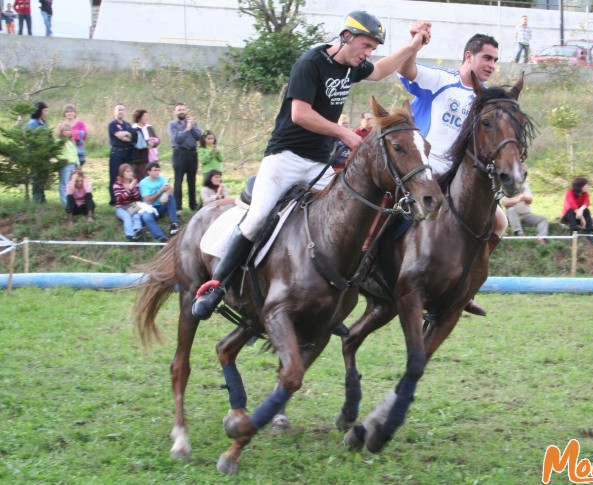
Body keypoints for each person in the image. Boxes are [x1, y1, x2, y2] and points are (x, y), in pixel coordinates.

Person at [192, 11, 433, 320]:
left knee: (345, 219)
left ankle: (345, 292)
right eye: (365, 44)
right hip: (285, 159)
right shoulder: (311, 63)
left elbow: (383, 70)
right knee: (257, 219)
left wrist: (415, 44)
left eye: (373, 48)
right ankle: (216, 287)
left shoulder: (353, 67)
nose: (368, 53)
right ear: (346, 37)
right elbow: (300, 114)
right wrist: (344, 132)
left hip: (319, 163)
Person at [398, 32, 507, 316]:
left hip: (459, 179)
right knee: (392, 214)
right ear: (469, 56)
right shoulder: (440, 80)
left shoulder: (486, 99)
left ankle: (465, 287)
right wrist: (415, 45)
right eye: (486, 57)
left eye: (495, 60)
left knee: (499, 222)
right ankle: (365, 264)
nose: (491, 65)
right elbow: (405, 69)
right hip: (423, 173)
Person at [168, 102, 201, 211]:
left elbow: (198, 137)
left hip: (192, 153)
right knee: (178, 180)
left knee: (192, 180)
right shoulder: (172, 125)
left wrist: (192, 127)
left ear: (186, 111)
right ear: (175, 112)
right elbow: (177, 139)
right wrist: (187, 129)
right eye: (179, 110)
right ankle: (178, 206)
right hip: (179, 153)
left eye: (183, 109)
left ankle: (193, 204)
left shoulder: (193, 123)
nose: (181, 111)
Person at [138, 162, 180, 243]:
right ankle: (162, 237)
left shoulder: (163, 178)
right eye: (155, 170)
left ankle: (174, 224)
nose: (157, 172)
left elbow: (170, 188)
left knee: (170, 197)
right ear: (149, 172)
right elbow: (148, 201)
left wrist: (166, 195)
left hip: (161, 207)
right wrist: (160, 191)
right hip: (150, 208)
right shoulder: (143, 183)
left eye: (158, 170)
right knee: (146, 217)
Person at [107, 104, 137, 205]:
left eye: (122, 110)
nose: (121, 112)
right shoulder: (112, 124)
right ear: (115, 111)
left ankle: (127, 197)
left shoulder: (127, 124)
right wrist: (127, 134)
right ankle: (114, 199)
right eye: (119, 110)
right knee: (115, 175)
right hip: (117, 152)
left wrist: (127, 134)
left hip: (127, 152)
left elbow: (133, 137)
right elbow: (121, 137)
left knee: (128, 175)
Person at [113, 163, 145, 241]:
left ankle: (137, 231)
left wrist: (133, 188)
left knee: (136, 216)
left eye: (131, 171)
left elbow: (137, 197)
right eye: (127, 171)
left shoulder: (134, 183)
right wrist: (129, 189)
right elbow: (119, 199)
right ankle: (129, 235)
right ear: (122, 173)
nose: (130, 173)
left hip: (131, 205)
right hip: (121, 207)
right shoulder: (117, 184)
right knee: (127, 217)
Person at [27, 101, 49, 203]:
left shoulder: (44, 123)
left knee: (43, 177)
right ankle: (37, 199)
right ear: (39, 111)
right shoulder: (32, 124)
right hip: (36, 155)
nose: (46, 112)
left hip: (45, 155)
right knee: (37, 178)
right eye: (45, 110)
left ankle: (42, 199)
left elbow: (48, 137)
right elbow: (31, 141)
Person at [131, 109, 158, 181]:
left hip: (151, 157)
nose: (146, 118)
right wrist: (146, 144)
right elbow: (134, 143)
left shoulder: (149, 127)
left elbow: (157, 139)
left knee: (152, 178)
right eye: (144, 116)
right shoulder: (134, 129)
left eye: (147, 116)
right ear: (139, 118)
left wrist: (153, 143)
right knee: (140, 178)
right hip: (140, 159)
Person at [57, 122, 80, 203]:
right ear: (61, 131)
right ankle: (64, 202)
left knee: (71, 183)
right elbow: (57, 153)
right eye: (65, 130)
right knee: (64, 183)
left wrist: (78, 163)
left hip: (73, 165)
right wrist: (63, 160)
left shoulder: (71, 142)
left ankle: (71, 200)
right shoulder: (59, 142)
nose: (67, 132)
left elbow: (75, 153)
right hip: (65, 165)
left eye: (69, 130)